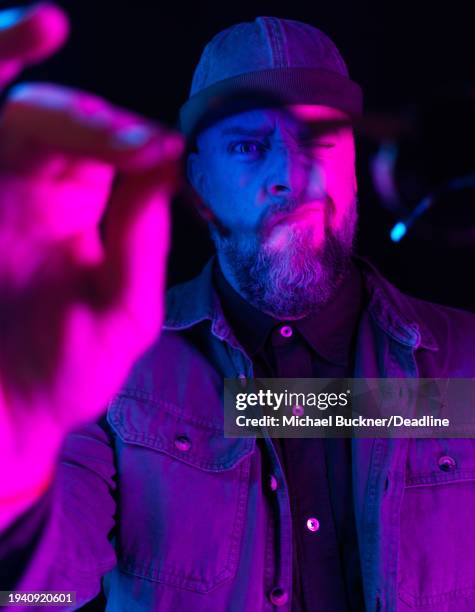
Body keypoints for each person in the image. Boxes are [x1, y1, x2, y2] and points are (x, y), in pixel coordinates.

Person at [1, 6, 475, 612]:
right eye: (250, 145)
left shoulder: (464, 365)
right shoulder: (113, 374)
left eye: (317, 139)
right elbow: (35, 597)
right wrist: (11, 471)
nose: (289, 172)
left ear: (354, 163)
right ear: (198, 183)